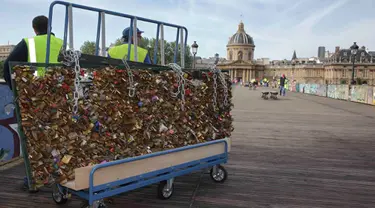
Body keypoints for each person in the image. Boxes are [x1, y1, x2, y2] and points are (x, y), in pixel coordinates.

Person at [3, 15, 63, 90]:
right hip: (60, 91)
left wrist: (16, 89)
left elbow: (7, 66)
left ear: (34, 29)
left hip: (35, 92)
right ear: (50, 27)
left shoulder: (28, 42)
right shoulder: (64, 44)